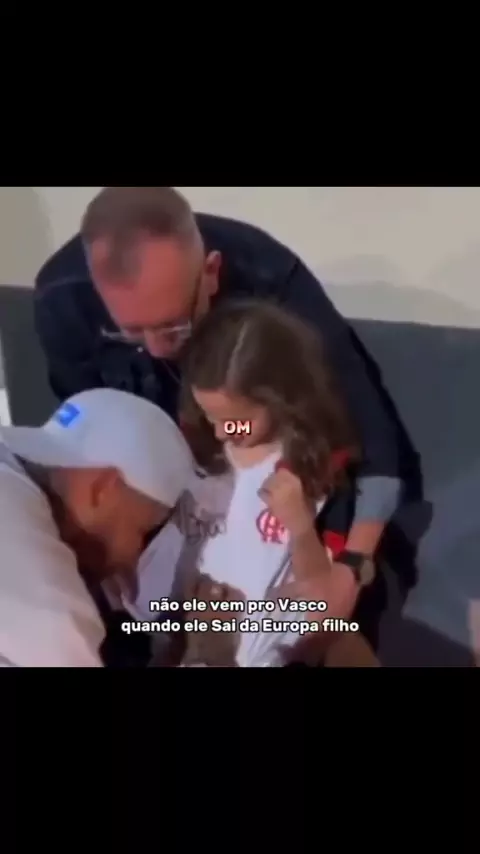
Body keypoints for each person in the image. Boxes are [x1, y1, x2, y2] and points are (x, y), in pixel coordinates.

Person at [34, 186, 406, 612]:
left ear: (211, 273)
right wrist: (101, 540)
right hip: (165, 517)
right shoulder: (62, 298)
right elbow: (83, 430)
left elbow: (371, 435)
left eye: (174, 327)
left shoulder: (269, 280)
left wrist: (352, 565)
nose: (156, 350)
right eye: (130, 332)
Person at [126, 301, 382, 666]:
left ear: (282, 400)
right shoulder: (199, 451)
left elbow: (322, 603)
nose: (221, 432)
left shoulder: (309, 469)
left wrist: (300, 526)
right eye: (210, 416)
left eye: (236, 420)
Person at [0, 387, 195, 667]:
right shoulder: (40, 582)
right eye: (142, 531)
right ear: (102, 489)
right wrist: (206, 656)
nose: (132, 555)